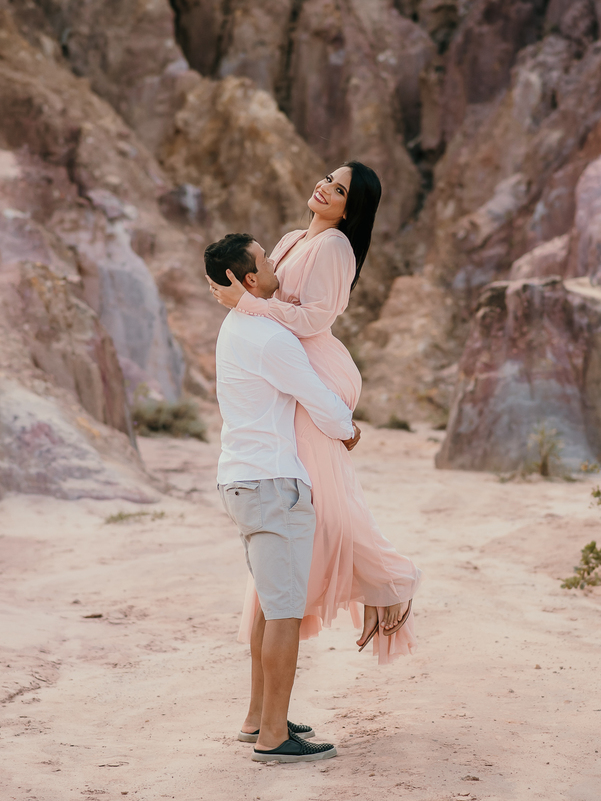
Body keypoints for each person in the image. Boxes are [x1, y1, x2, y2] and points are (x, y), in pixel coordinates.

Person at [207, 162, 422, 665]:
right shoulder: (288, 238)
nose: (326, 187)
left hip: (314, 365)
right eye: (329, 177)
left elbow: (314, 318)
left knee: (319, 496)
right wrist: (241, 299)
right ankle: (348, 584)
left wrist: (248, 306)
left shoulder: (335, 247)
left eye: (340, 189)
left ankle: (388, 581)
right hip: (292, 365)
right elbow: (261, 292)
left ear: (352, 208)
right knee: (313, 497)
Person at [207, 232, 361, 763]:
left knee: (269, 609)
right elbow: (316, 397)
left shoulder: (234, 328)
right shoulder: (270, 339)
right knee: (285, 614)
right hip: (272, 485)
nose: (276, 265)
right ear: (250, 280)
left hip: (243, 480)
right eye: (267, 260)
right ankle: (275, 736)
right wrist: (347, 429)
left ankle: (259, 717)